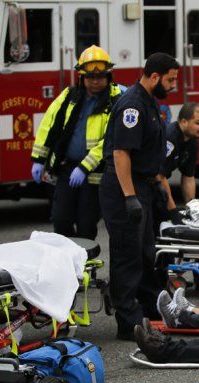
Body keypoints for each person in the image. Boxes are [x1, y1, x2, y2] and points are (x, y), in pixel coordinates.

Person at [99, 52, 180, 340]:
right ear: (154, 76)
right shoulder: (132, 105)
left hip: (141, 185)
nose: (173, 85)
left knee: (146, 253)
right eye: (170, 80)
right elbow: (121, 153)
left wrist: (156, 186)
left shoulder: (148, 101)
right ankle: (128, 322)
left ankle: (149, 309)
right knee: (127, 255)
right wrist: (130, 196)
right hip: (124, 187)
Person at [31, 45, 123, 240]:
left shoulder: (115, 101)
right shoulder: (69, 95)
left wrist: (84, 167)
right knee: (60, 220)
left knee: (86, 225)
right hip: (67, 168)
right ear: (82, 77)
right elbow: (49, 124)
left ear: (108, 77)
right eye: (90, 77)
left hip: (95, 174)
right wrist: (39, 159)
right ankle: (68, 256)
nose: (95, 81)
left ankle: (84, 259)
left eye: (100, 77)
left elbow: (111, 140)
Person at [155, 102, 199, 225]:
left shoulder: (193, 142)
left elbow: (188, 176)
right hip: (143, 185)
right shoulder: (170, 137)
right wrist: (173, 210)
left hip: (157, 184)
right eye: (198, 123)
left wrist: (191, 208)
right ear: (183, 122)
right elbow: (159, 176)